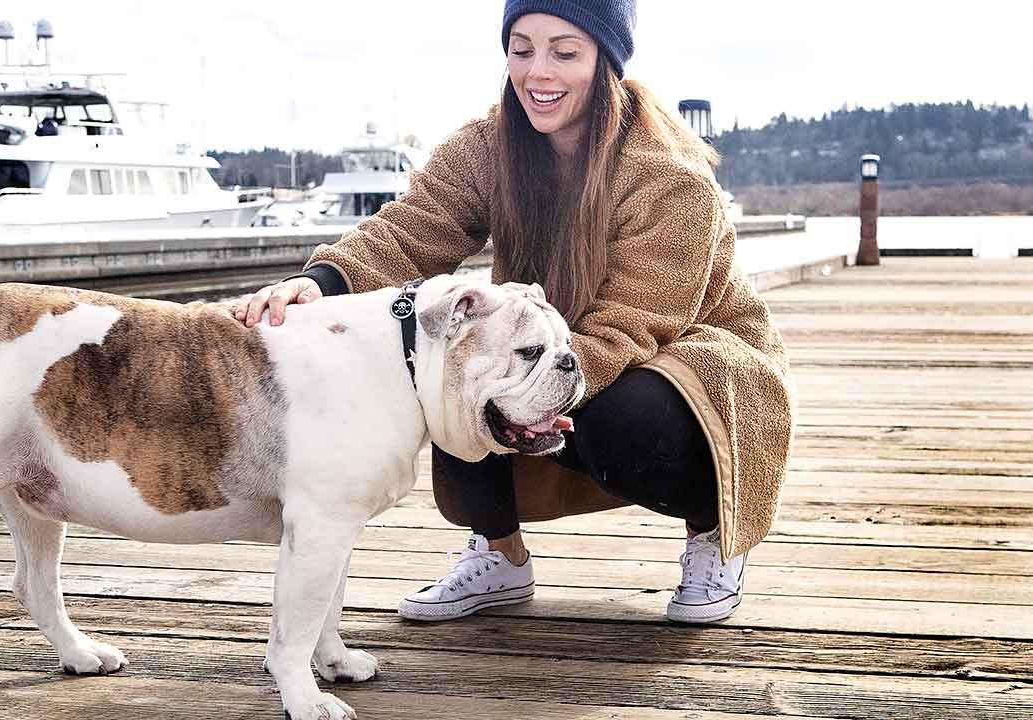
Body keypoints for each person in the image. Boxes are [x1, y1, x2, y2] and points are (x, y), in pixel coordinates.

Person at [234, 0, 793, 625]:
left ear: (605, 61)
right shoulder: (489, 145)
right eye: (521, 48)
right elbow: (411, 230)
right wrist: (320, 282)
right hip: (558, 338)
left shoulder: (668, 176)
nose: (537, 72)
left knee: (615, 423)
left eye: (564, 51)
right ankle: (500, 556)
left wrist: (532, 380)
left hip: (692, 359)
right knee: (447, 352)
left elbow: (638, 320)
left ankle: (713, 531)